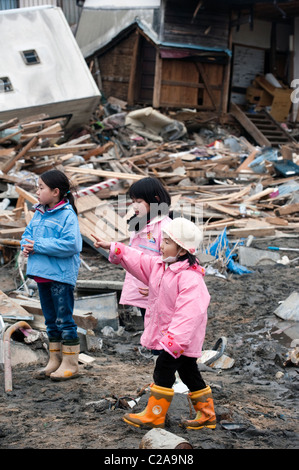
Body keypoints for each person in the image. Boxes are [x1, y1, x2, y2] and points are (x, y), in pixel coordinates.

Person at [91, 217, 216, 430]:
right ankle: (207, 415)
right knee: (188, 373)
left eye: (167, 242)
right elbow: (139, 259)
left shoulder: (190, 279)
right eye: (163, 240)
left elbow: (189, 315)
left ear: (182, 250)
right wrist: (116, 248)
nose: (161, 244)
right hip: (173, 337)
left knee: (163, 369)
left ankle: (154, 415)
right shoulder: (161, 266)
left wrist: (174, 341)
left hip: (178, 339)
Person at [21, 169, 82, 381]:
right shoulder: (39, 213)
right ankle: (55, 360)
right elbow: (27, 235)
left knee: (64, 320)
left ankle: (71, 363)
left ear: (55, 192)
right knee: (50, 320)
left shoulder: (67, 215)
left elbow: (72, 244)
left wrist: (37, 245)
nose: (36, 192)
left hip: (60, 276)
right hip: (42, 275)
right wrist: (25, 246)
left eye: (40, 188)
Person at [121, 177, 172, 323]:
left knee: (159, 325)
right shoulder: (139, 224)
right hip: (141, 288)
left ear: (154, 200)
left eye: (139, 202)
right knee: (148, 324)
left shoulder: (166, 227)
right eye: (133, 201)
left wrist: (159, 287)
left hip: (157, 289)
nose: (135, 206)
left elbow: (170, 263)